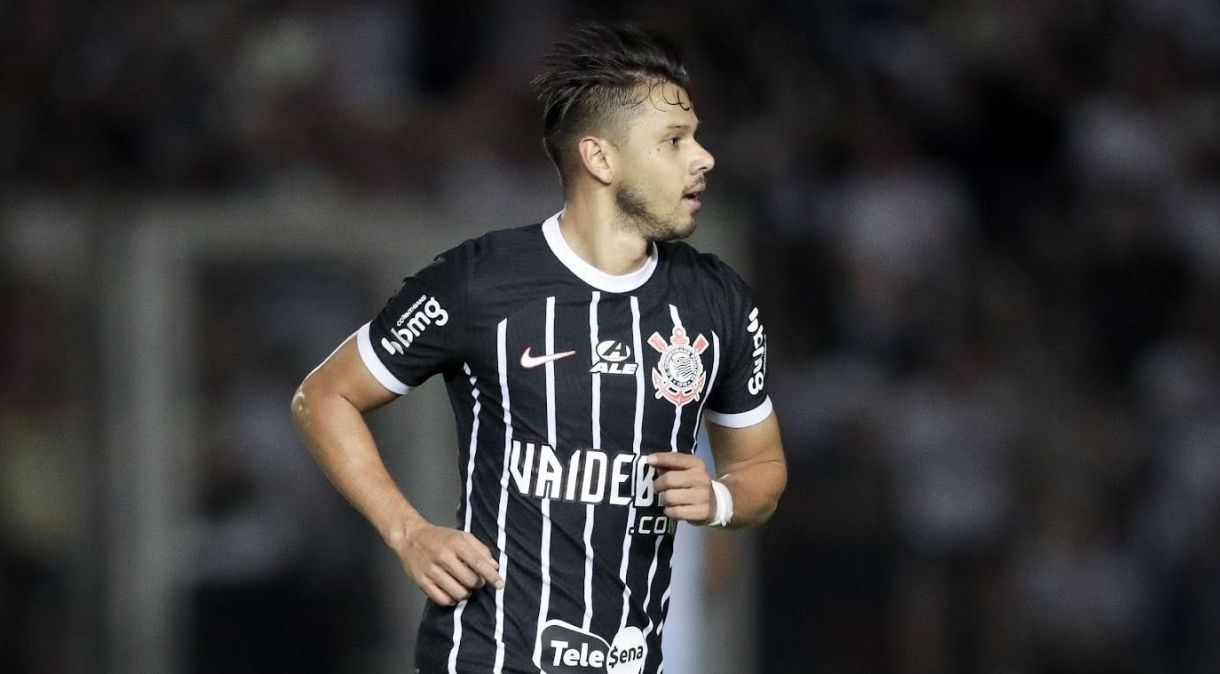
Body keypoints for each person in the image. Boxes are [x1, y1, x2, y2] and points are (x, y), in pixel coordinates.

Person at [291, 22, 786, 674]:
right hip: (493, 658)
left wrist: (722, 498)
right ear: (600, 159)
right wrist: (408, 532)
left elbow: (761, 465)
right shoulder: (482, 281)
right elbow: (323, 396)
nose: (704, 157)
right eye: (673, 141)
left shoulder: (716, 301)